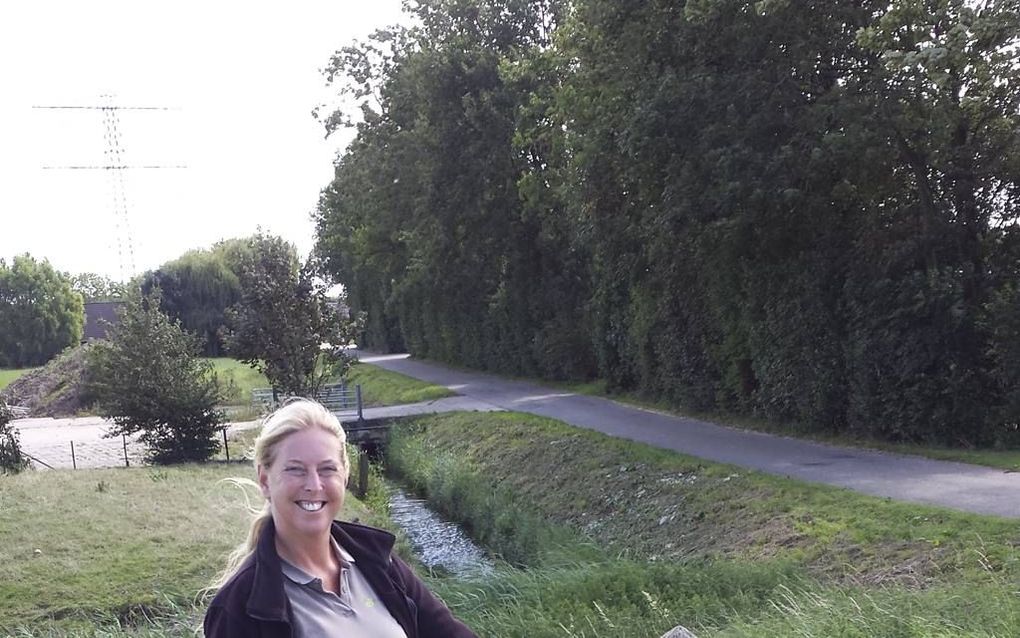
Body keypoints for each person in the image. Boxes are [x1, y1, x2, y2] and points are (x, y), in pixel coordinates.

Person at [204, 398, 477, 638]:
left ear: (345, 475)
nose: (314, 484)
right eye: (296, 469)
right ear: (265, 480)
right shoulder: (239, 608)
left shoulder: (378, 560)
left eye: (327, 469)